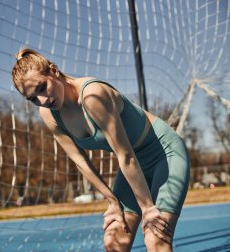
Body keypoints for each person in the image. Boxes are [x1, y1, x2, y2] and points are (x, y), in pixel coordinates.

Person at [11, 48, 190, 252]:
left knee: (155, 237)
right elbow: (80, 162)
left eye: (42, 87)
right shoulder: (49, 115)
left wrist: (147, 208)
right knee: (114, 240)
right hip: (132, 166)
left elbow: (126, 155)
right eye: (33, 98)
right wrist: (112, 201)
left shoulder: (92, 95)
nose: (42, 100)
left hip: (163, 153)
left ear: (54, 70)